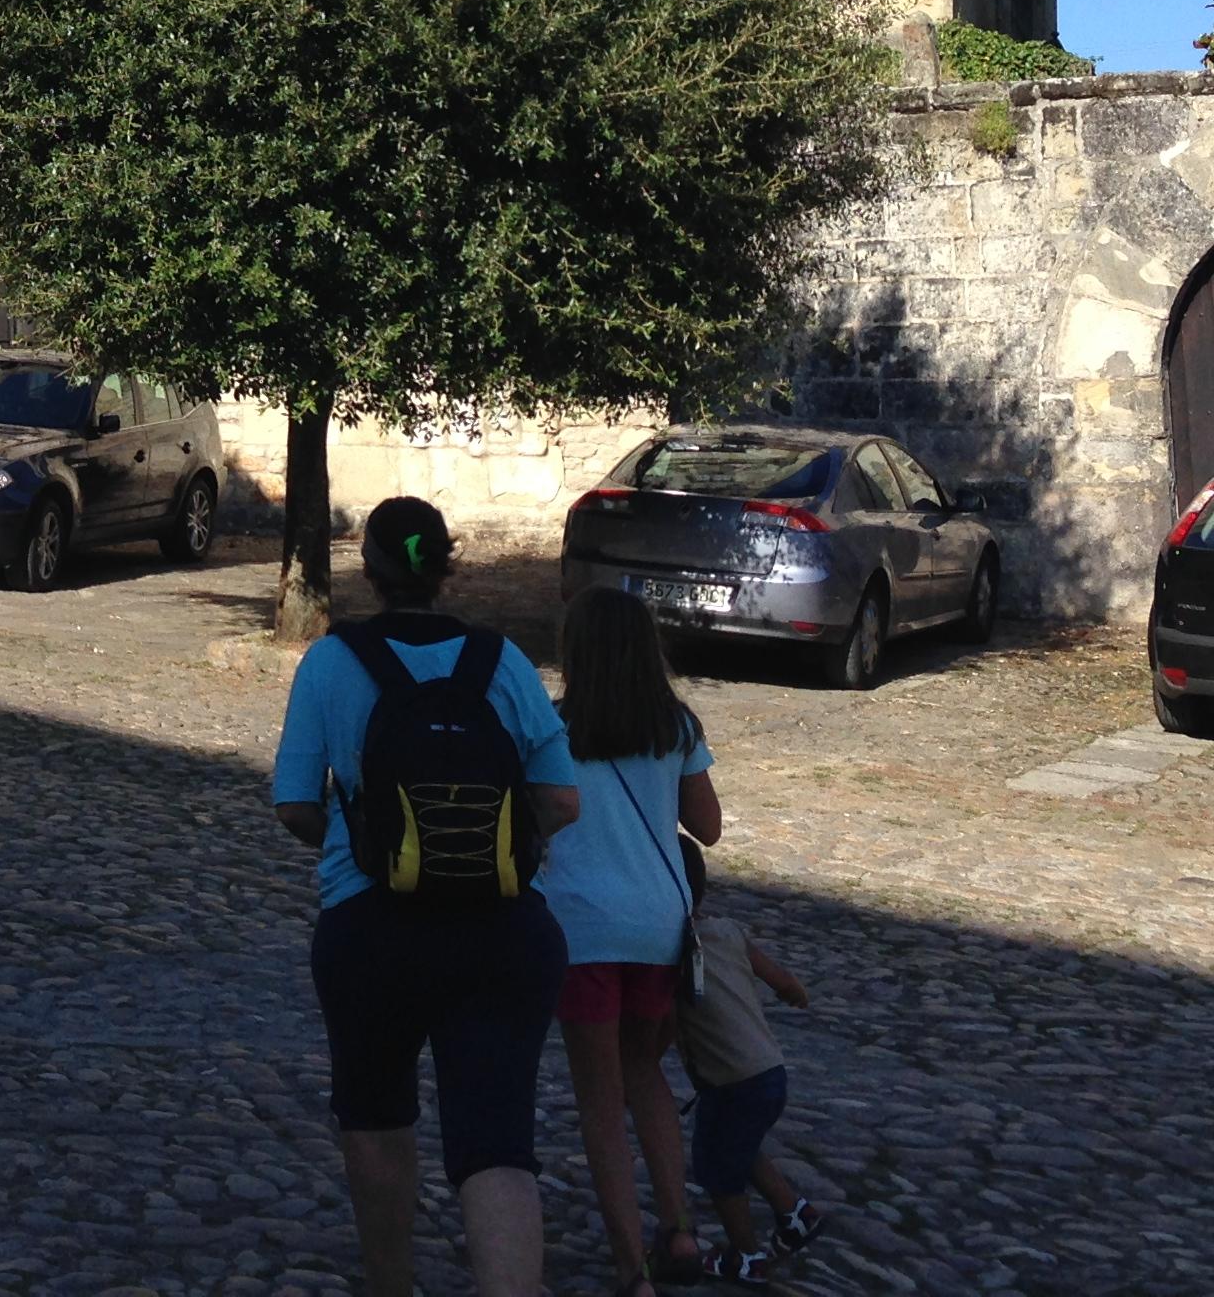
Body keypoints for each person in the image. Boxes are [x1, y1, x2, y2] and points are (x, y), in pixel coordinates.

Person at [272, 498, 582, 1297]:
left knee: (376, 1116)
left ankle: (390, 1285)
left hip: (372, 925)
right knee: (498, 1145)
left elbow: (297, 805)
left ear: (369, 568)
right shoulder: (502, 661)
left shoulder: (333, 662)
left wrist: (378, 840)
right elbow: (562, 799)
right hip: (503, 929)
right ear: (446, 568)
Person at [544, 585, 724, 1297]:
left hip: (580, 930)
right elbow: (706, 827)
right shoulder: (676, 728)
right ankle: (678, 1226)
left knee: (599, 1098)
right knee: (647, 1074)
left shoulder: (551, 729)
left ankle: (629, 1267)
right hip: (659, 928)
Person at [676, 842, 824, 1284]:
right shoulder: (728, 930)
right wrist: (794, 991)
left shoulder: (673, 952)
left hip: (730, 1083)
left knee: (717, 1167)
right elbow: (777, 975)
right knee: (741, 1148)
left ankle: (746, 1255)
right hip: (769, 1072)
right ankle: (794, 1213)